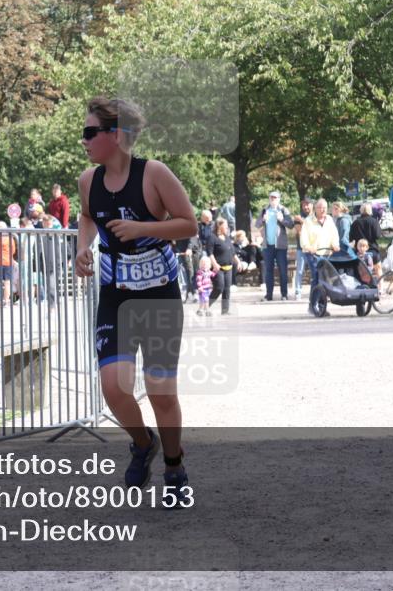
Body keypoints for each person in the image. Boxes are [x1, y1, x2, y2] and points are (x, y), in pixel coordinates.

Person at [74, 96, 195, 506]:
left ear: (116, 136)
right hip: (117, 296)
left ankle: (175, 466)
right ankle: (143, 445)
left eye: (91, 132)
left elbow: (189, 225)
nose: (84, 140)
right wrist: (83, 248)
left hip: (160, 294)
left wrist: (141, 227)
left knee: (161, 392)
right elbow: (88, 216)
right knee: (113, 386)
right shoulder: (88, 181)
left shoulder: (154, 174)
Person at [299, 199, 340, 309]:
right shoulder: (308, 221)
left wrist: (335, 245)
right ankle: (313, 305)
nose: (322, 210)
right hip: (313, 254)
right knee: (317, 276)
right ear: (315, 208)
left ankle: (321, 305)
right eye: (320, 208)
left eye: (325, 208)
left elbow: (334, 235)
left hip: (327, 253)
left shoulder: (330, 220)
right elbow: (303, 238)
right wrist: (309, 247)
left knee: (326, 279)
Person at [255, 191, 294, 301]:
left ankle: (284, 294)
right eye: (271, 197)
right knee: (268, 271)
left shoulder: (283, 210)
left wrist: (282, 219)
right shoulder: (264, 210)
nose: (273, 199)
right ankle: (269, 295)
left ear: (279, 199)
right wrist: (263, 219)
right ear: (269, 199)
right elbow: (257, 225)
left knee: (282, 270)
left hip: (280, 246)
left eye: (275, 197)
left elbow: (291, 225)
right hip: (268, 246)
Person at [205, 218, 237, 315]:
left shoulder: (226, 237)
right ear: (219, 226)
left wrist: (238, 261)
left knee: (227, 289)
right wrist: (214, 264)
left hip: (228, 267)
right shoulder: (212, 237)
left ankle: (225, 310)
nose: (227, 227)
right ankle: (206, 307)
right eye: (225, 225)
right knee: (219, 287)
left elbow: (232, 251)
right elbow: (209, 252)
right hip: (217, 268)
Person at [350, 202, 382, 276]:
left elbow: (351, 238)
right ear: (370, 210)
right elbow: (378, 236)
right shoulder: (374, 221)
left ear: (361, 210)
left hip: (359, 252)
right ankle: (380, 286)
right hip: (372, 250)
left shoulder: (355, 223)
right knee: (378, 268)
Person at [291, 198, 313, 300]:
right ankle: (298, 292)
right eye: (304, 205)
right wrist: (302, 221)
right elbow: (299, 231)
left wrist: (302, 221)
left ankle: (315, 292)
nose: (305, 207)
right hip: (302, 248)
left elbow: (314, 230)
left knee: (315, 271)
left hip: (314, 248)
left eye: (307, 204)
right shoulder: (297, 218)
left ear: (312, 205)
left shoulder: (316, 216)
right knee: (300, 271)